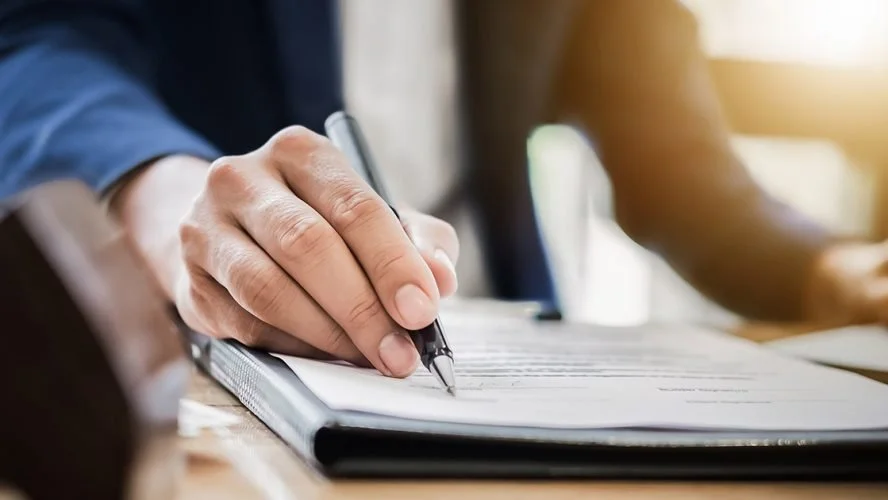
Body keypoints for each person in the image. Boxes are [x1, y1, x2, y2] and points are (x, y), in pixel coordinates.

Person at [0, 0, 884, 380]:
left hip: (508, 373)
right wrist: (175, 200)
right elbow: (38, 46)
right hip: (209, 366)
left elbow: (679, 171)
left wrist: (838, 273)